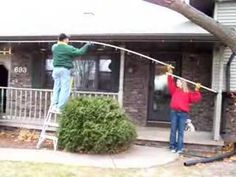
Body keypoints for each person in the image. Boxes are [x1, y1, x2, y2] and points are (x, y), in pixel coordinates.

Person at [51, 33, 91, 113]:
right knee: (65, 89)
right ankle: (60, 107)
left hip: (55, 70)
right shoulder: (68, 48)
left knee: (56, 87)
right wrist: (87, 45)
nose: (69, 40)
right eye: (68, 39)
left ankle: (54, 105)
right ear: (65, 39)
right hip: (64, 70)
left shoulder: (54, 47)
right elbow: (80, 52)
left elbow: (59, 47)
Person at [166, 65, 202, 154]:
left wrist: (197, 89)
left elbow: (196, 98)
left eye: (178, 82)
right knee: (173, 130)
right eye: (177, 82)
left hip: (183, 114)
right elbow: (170, 83)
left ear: (183, 83)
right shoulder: (174, 90)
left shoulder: (187, 93)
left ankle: (179, 148)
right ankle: (172, 147)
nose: (177, 83)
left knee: (181, 132)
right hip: (174, 113)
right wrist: (170, 73)